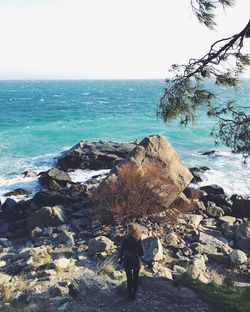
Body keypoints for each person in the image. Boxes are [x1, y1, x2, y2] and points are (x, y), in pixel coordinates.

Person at [118, 223, 144, 300]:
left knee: (129, 279)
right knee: (135, 279)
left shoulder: (125, 238)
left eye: (128, 229)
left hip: (127, 261)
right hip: (136, 261)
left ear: (129, 230)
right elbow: (142, 252)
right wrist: (137, 255)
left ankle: (129, 295)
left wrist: (120, 258)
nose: (127, 230)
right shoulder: (138, 238)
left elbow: (121, 250)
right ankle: (134, 296)